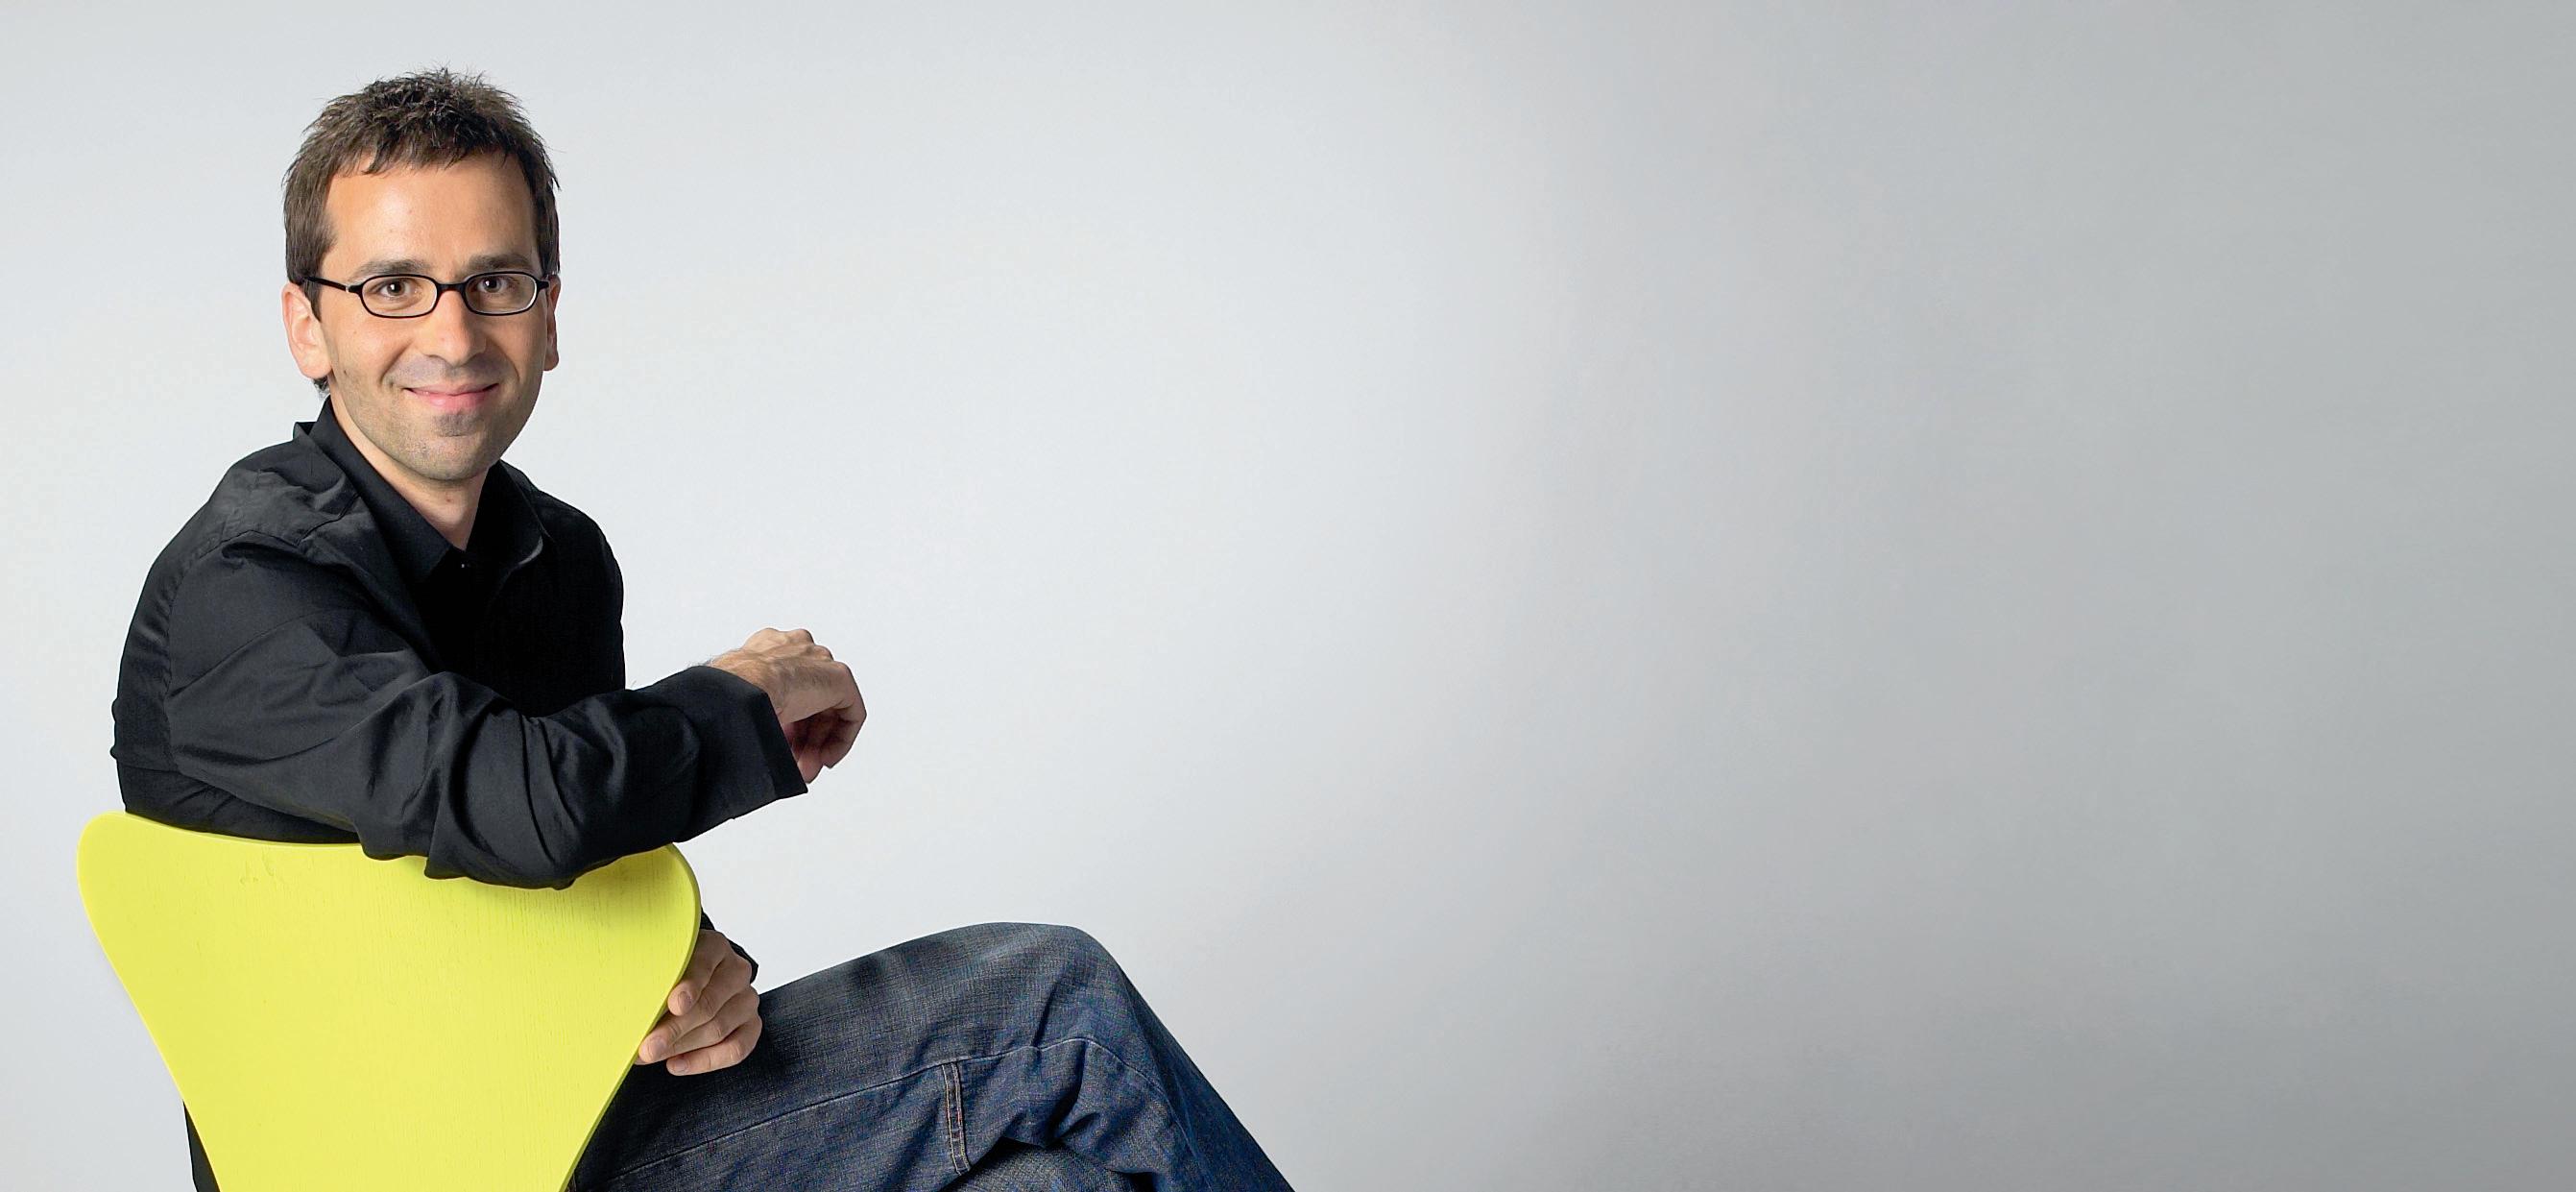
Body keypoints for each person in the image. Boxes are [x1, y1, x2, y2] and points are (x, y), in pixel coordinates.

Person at [108, 67, 1295, 1192]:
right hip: (413, 1161)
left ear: (548, 316)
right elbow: (518, 798)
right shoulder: (245, 581)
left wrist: (689, 970)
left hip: (589, 1109)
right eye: (392, 287)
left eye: (496, 281)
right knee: (1055, 1005)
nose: (454, 333)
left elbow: (577, 868)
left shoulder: (558, 558)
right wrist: (742, 695)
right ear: (307, 327)